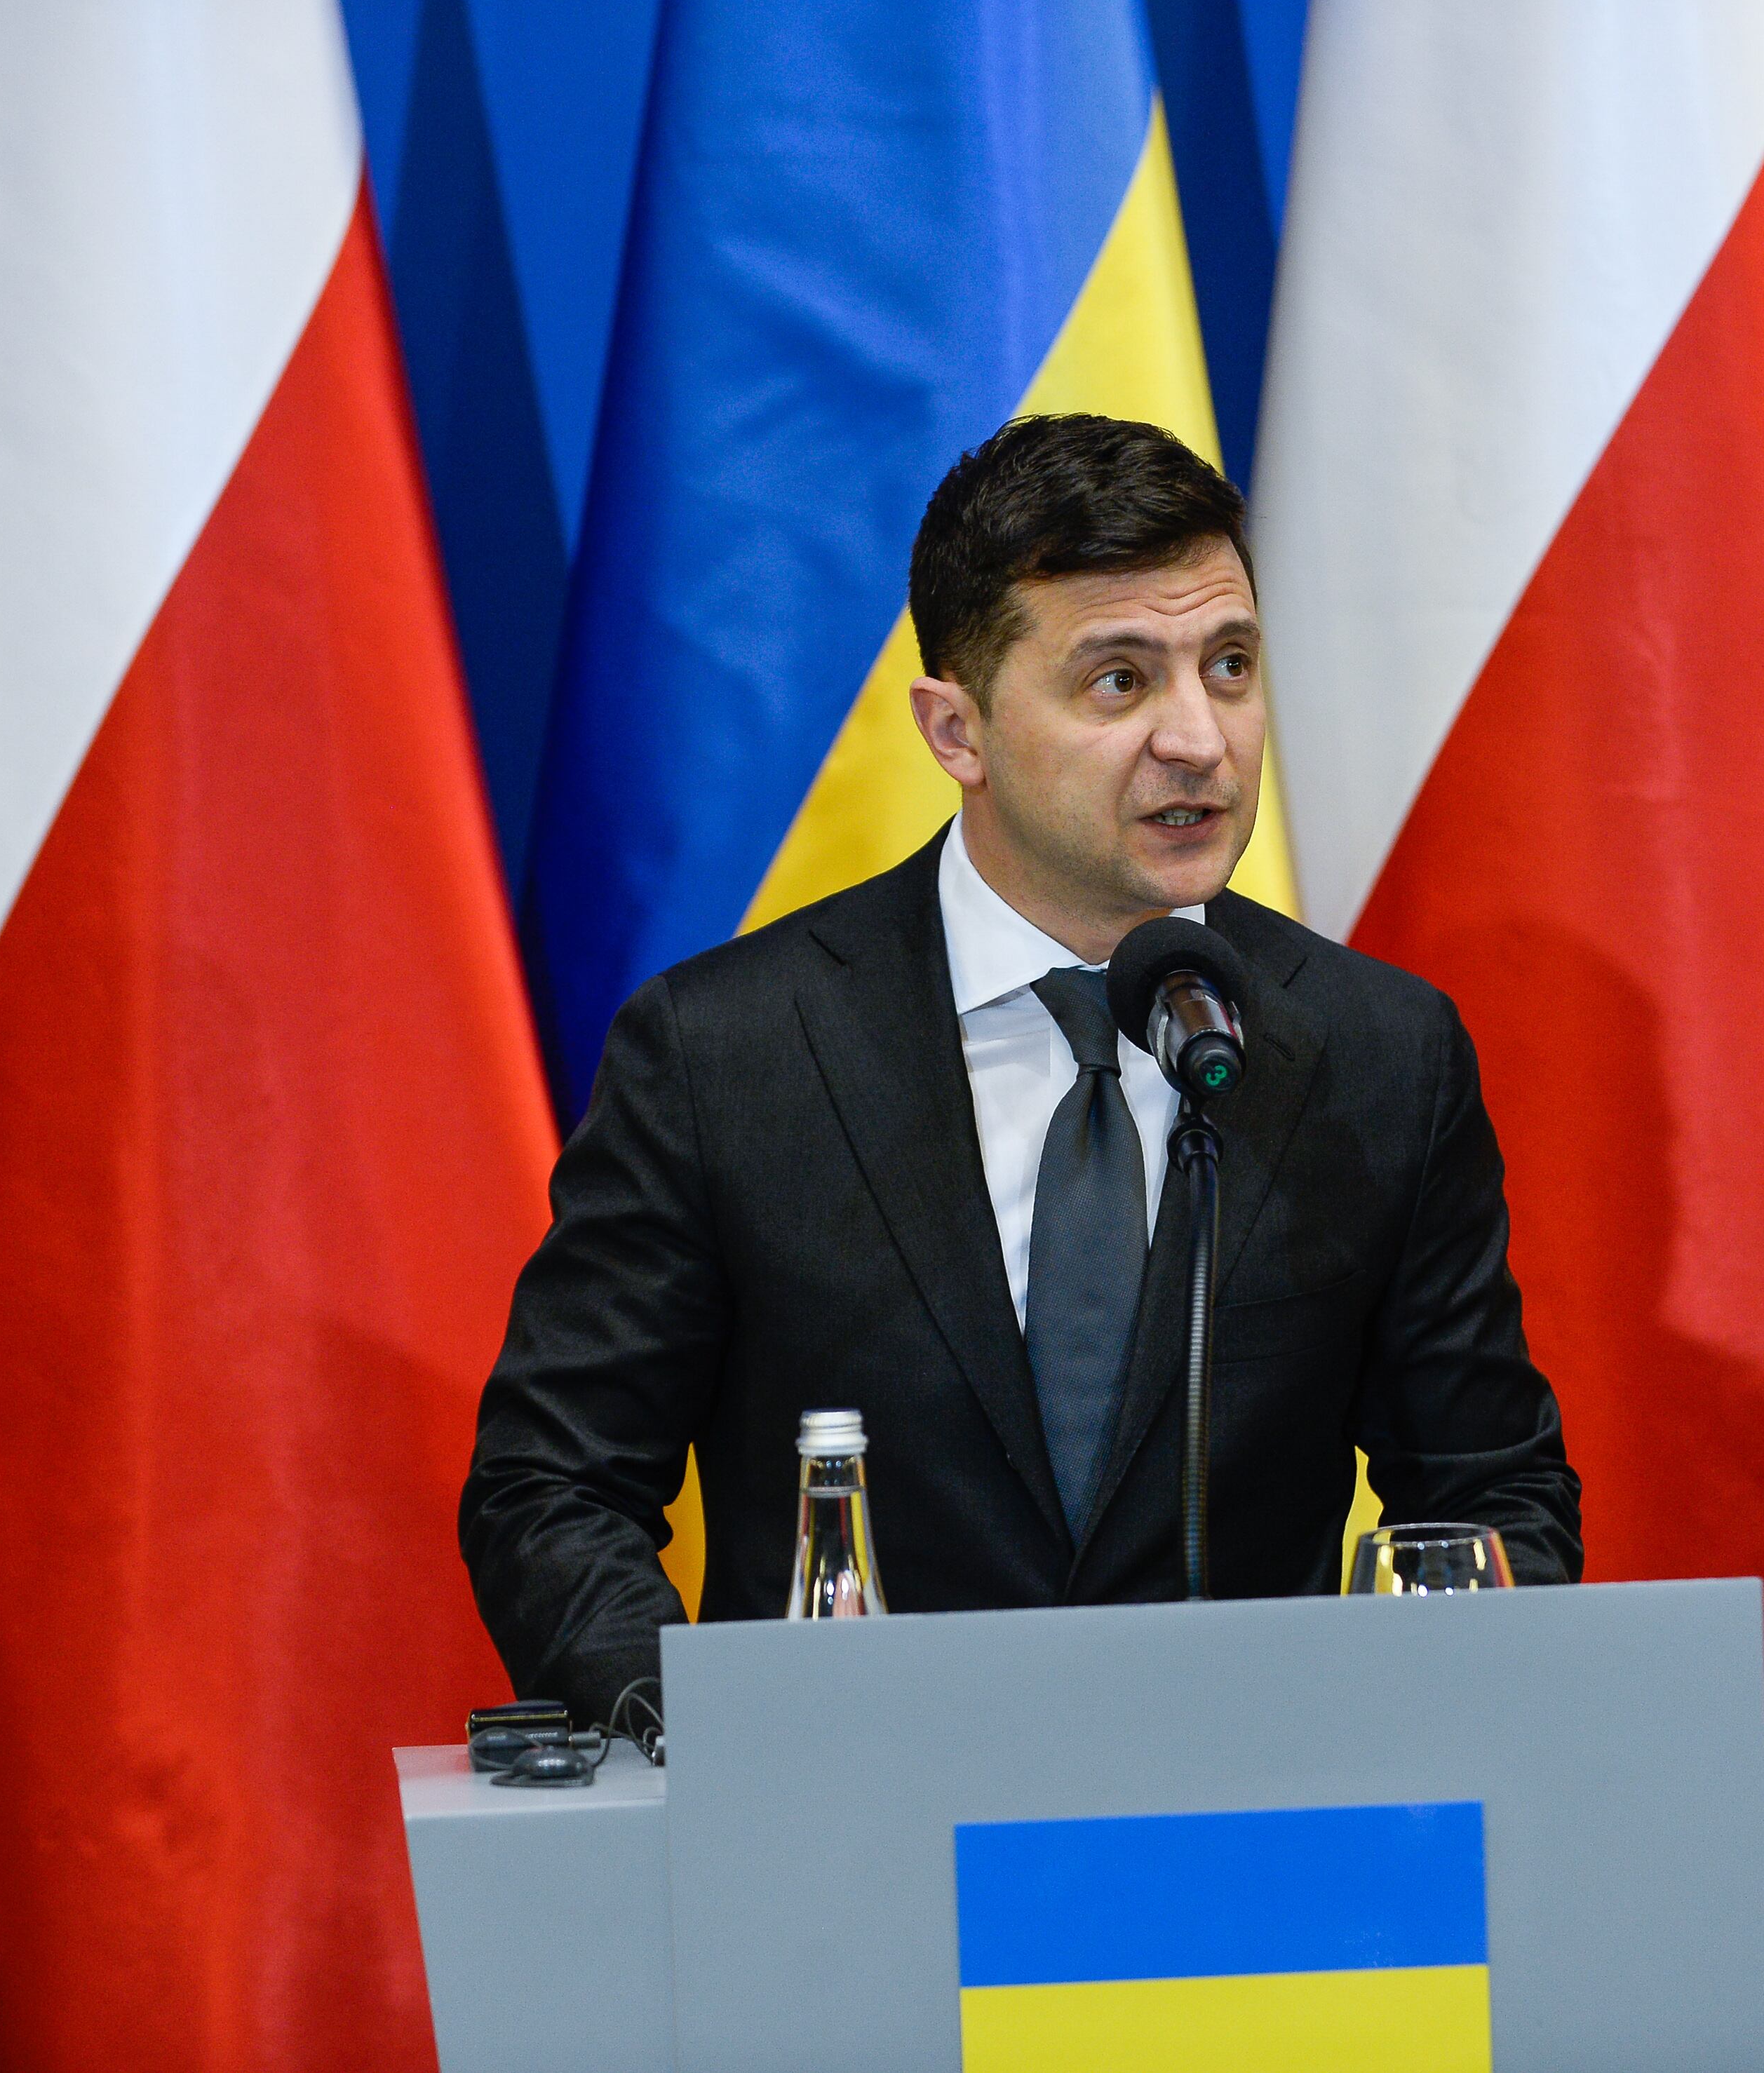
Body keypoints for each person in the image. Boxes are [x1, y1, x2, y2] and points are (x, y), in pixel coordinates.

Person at [459, 414, 1582, 1724]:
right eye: (1120, 681)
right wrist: (714, 1750)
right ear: (958, 732)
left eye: (1229, 665)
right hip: (847, 1824)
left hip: (1249, 1822)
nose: (1200, 738)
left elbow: (1492, 1494)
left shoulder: (1378, 1052)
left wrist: (1407, 1727)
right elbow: (555, 1487)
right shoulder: (727, 1054)